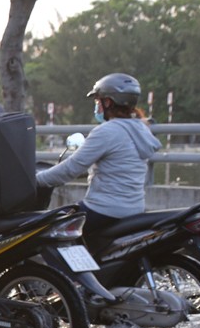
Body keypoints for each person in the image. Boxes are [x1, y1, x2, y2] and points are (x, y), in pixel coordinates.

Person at [36, 73, 161, 235]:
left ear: (108, 102)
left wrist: (36, 180)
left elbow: (70, 169)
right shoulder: (141, 129)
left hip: (104, 210)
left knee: (47, 231)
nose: (97, 106)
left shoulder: (107, 131)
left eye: (98, 101)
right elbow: (117, 163)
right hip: (135, 209)